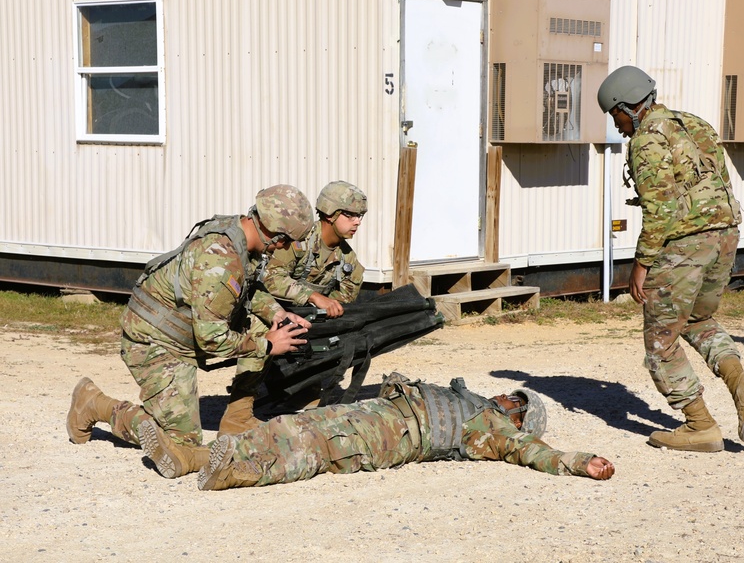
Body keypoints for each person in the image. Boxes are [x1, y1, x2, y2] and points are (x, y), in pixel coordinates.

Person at [66, 185, 315, 478]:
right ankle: (94, 404)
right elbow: (212, 339)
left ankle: (236, 416)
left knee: (265, 324)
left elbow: (249, 287)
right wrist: (268, 346)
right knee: (179, 446)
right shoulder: (221, 260)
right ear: (276, 237)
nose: (285, 250)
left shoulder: (239, 235)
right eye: (287, 243)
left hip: (179, 336)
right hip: (152, 340)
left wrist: (278, 314)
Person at [596, 65, 744, 452]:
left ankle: (700, 425)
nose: (617, 124)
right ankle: (741, 382)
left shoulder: (645, 139)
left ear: (627, 106)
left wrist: (640, 265)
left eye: (615, 115)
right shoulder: (694, 124)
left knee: (661, 339)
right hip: (724, 235)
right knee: (697, 318)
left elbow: (661, 208)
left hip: (684, 244)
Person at [186, 372, 614, 490]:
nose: (506, 399)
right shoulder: (472, 402)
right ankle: (200, 457)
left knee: (313, 450)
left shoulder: (497, 432)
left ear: (520, 420)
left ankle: (239, 473)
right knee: (293, 424)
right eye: (512, 395)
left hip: (390, 439)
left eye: (516, 403)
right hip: (378, 411)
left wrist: (579, 463)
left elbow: (535, 454)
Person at [222, 181, 369, 432]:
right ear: (329, 214)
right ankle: (239, 409)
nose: (357, 222)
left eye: (360, 216)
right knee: (261, 324)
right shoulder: (296, 241)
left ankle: (304, 389)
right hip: (262, 309)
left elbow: (343, 304)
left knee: (333, 331)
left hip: (303, 319)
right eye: (350, 214)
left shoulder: (349, 263)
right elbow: (270, 277)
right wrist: (313, 296)